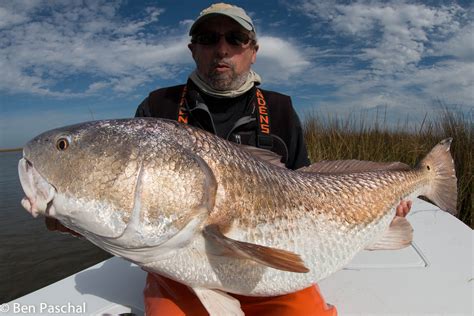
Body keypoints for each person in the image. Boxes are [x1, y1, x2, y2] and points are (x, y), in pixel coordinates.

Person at [47, 3, 411, 315]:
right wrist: (75, 216)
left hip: (274, 266)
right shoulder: (158, 109)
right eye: (208, 39)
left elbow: (309, 187)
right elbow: (127, 194)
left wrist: (382, 206)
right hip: (180, 269)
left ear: (253, 51)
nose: (221, 49)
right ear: (193, 49)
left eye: (235, 39)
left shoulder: (282, 109)